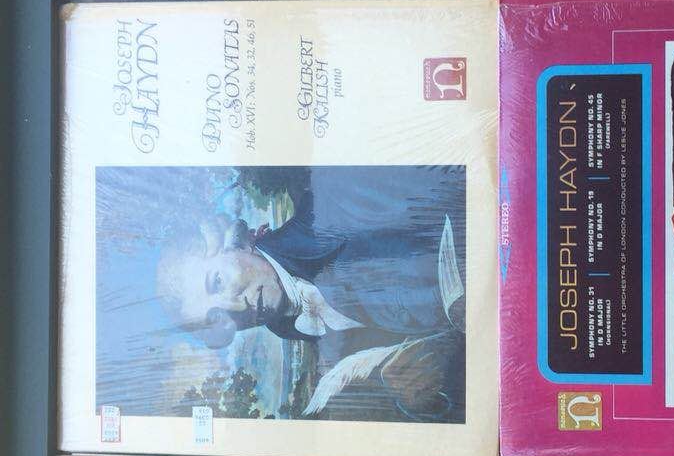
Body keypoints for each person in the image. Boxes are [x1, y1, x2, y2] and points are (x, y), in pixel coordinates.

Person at [154, 169, 466, 421]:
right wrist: (409, 386)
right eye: (216, 317)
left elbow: (462, 191)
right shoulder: (287, 327)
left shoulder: (336, 199)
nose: (235, 307)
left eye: (217, 282)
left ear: (237, 241)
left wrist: (461, 295)